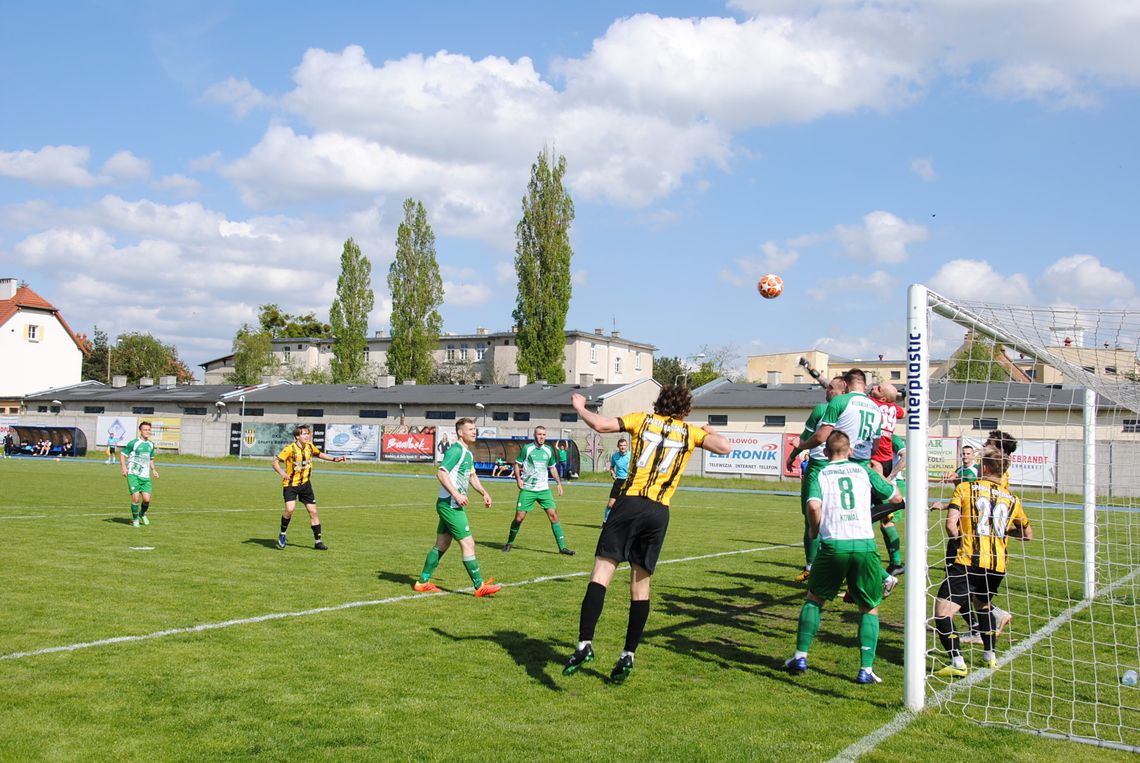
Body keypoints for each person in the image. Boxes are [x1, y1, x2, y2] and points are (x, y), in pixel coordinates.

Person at [562, 385, 731, 682]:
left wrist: (579, 406)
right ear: (685, 410)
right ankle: (628, 653)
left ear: (658, 403)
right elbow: (724, 447)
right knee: (641, 587)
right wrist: (708, 428)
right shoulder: (691, 433)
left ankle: (585, 643)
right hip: (658, 511)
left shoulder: (642, 419)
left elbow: (601, 425)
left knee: (602, 572)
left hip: (629, 502)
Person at [784, 431, 902, 684]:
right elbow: (895, 498)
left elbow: (814, 506)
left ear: (826, 453)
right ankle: (865, 670)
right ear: (849, 451)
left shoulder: (820, 473)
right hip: (864, 545)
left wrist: (813, 530)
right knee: (869, 608)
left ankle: (801, 656)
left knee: (814, 599)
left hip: (833, 544)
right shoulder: (863, 471)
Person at [786, 369, 891, 592]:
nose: (828, 390)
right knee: (857, 523)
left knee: (824, 522)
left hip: (834, 467)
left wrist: (799, 449)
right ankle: (864, 577)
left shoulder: (836, 404)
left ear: (844, 385)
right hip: (862, 468)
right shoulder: (875, 408)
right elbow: (875, 444)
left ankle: (818, 568)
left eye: (832, 387)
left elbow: (818, 436)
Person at [933, 446, 1032, 677]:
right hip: (997, 565)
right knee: (983, 605)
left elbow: (950, 525)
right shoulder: (1013, 499)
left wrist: (959, 541)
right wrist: (1004, 534)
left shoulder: (965, 488)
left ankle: (957, 662)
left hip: (968, 559)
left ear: (984, 467)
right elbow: (1027, 535)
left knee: (942, 612)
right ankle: (990, 656)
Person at [412, 418, 501, 597]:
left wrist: (484, 492)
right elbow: (441, 472)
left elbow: (472, 477)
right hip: (450, 505)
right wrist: (456, 494)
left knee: (442, 543)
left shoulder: (467, 453)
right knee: (468, 543)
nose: (474, 432)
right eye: (470, 429)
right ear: (460, 433)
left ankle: (422, 582)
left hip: (451, 504)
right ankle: (479, 585)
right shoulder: (456, 450)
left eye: (475, 429)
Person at [786, 375, 846, 583]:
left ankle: (812, 565)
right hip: (845, 469)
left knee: (811, 518)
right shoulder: (852, 410)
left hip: (819, 468)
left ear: (838, 391)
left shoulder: (822, 409)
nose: (826, 391)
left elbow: (806, 435)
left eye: (830, 388)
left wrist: (793, 455)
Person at [273, 424, 345, 550]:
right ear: (297, 436)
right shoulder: (290, 449)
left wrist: (334, 459)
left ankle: (318, 542)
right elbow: (275, 462)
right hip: (291, 484)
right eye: (304, 434)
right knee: (290, 510)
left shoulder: (310, 447)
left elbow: (319, 454)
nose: (307, 436)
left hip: (305, 484)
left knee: (313, 512)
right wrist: (282, 473)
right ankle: (283, 533)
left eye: (308, 433)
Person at [503, 425, 573, 555]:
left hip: (543, 490)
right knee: (519, 518)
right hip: (528, 489)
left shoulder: (548, 450)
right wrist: (518, 479)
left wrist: (558, 483)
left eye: (544, 435)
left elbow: (552, 468)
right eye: (539, 434)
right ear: (535, 435)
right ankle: (509, 542)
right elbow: (517, 465)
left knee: (554, 516)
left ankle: (562, 547)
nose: (542, 437)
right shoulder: (527, 449)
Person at [868, 383, 905, 576]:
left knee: (865, 517)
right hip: (886, 462)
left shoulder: (873, 405)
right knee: (885, 519)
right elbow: (904, 412)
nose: (874, 386)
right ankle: (896, 563)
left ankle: (868, 563)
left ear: (881, 397)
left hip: (877, 464)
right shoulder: (893, 408)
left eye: (878, 387)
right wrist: (901, 395)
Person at [120, 421, 159, 527]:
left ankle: (142, 513)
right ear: (140, 431)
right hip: (133, 474)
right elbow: (123, 454)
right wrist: (124, 468)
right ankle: (135, 519)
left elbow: (151, 459)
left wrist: (154, 470)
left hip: (145, 476)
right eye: (145, 430)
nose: (147, 431)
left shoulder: (151, 445)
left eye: (148, 430)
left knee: (146, 500)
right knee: (136, 498)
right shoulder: (134, 443)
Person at [604, 437, 630, 523]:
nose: (623, 447)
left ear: (627, 446)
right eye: (621, 445)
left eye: (624, 445)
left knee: (628, 506)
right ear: (618, 446)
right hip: (619, 481)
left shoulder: (631, 456)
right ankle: (605, 522)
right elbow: (612, 466)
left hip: (629, 482)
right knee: (610, 504)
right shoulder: (615, 456)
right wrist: (612, 473)